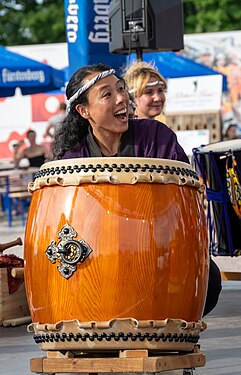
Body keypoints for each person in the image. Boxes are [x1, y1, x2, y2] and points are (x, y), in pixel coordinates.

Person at [52, 63, 221, 316]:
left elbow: (182, 199)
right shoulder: (73, 158)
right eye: (107, 94)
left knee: (210, 279)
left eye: (121, 88)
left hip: (156, 252)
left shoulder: (157, 137)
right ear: (84, 110)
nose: (122, 98)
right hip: (100, 259)